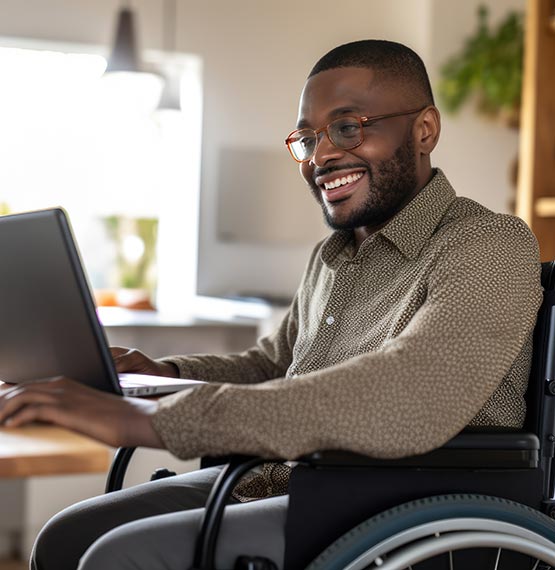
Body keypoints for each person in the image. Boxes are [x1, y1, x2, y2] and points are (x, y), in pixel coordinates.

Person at [0, 39, 542, 570]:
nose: (322, 156)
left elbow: (408, 394)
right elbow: (272, 366)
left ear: (424, 130)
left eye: (348, 128)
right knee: (66, 537)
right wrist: (163, 373)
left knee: (115, 557)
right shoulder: (332, 258)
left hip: (398, 503)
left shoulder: (490, 246)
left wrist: (149, 419)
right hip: (291, 478)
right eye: (307, 140)